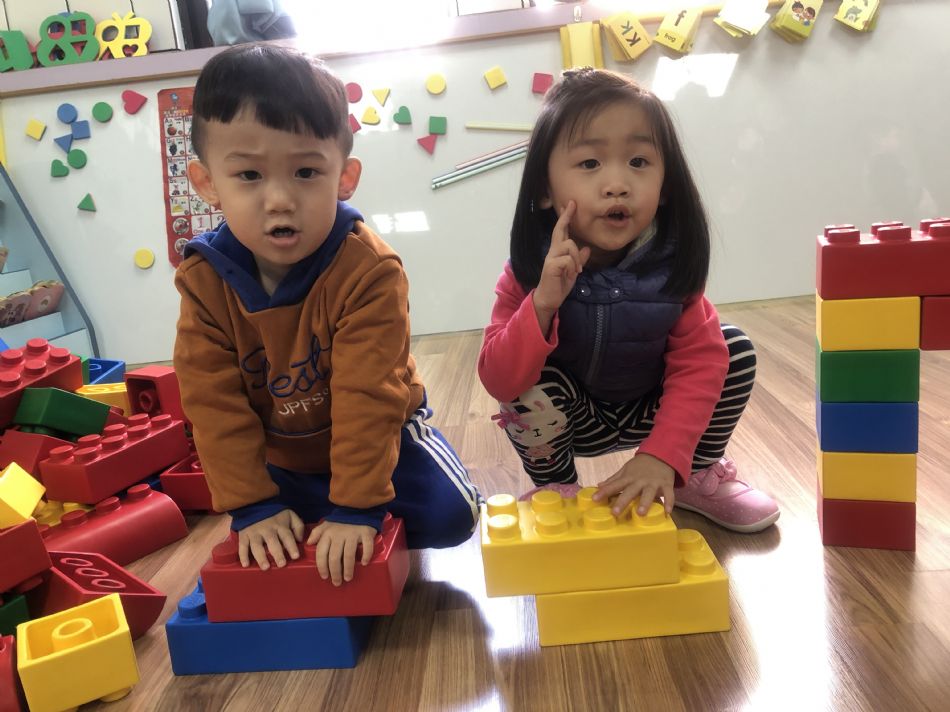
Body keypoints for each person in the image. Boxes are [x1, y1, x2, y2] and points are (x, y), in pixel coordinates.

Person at [174, 44, 481, 586]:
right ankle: (307, 506)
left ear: (345, 177)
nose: (279, 199)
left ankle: (343, 502)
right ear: (207, 185)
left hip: (380, 436)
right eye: (249, 175)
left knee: (453, 515)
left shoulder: (368, 269)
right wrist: (252, 506)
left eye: (306, 171)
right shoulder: (204, 280)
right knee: (264, 534)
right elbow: (213, 404)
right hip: (284, 455)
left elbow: (369, 396)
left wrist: (358, 507)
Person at [478, 68, 779, 532]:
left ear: (666, 185)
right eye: (589, 164)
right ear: (544, 189)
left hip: (652, 412)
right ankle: (556, 490)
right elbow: (500, 380)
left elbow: (701, 365)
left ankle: (695, 473)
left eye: (638, 161)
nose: (617, 183)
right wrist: (540, 304)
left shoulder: (671, 267)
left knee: (732, 348)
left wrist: (663, 456)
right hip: (575, 421)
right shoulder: (526, 271)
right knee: (530, 385)